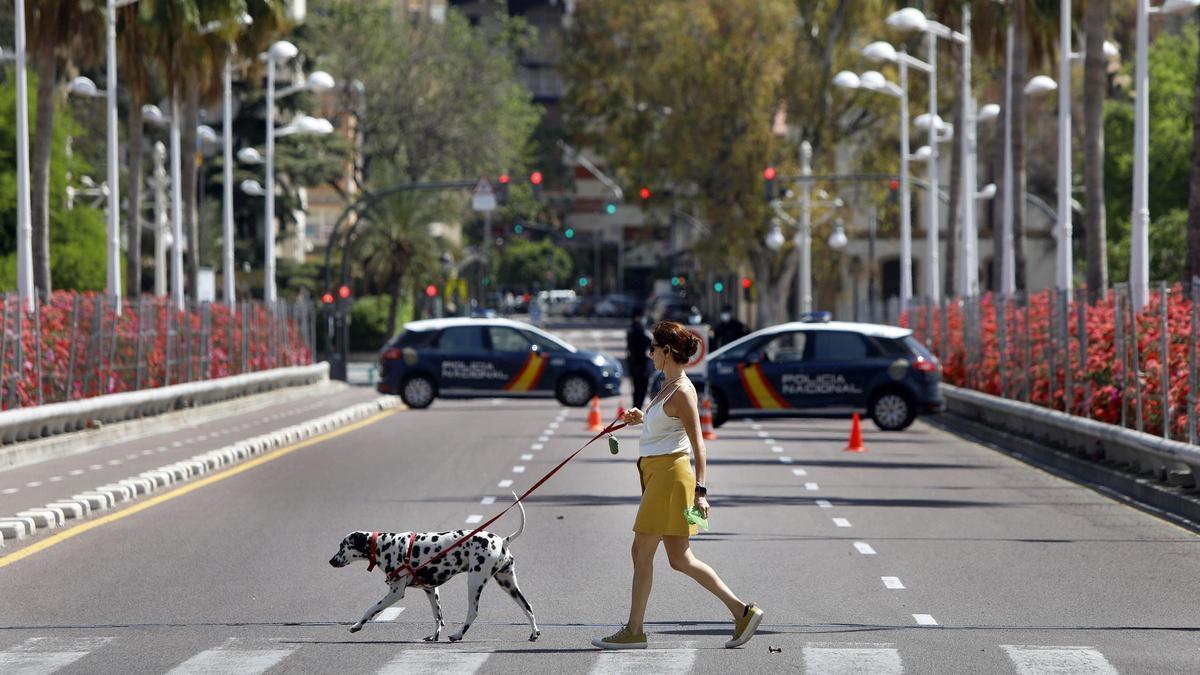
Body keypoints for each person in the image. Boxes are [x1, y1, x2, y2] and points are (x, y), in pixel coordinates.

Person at [593, 321, 763, 651]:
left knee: (641, 551)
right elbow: (665, 424)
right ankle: (743, 612)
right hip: (658, 475)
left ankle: (634, 630)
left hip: (672, 477)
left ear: (667, 352)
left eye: (654, 348)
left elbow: (699, 444)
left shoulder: (683, 391)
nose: (650, 353)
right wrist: (640, 417)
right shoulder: (667, 385)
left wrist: (701, 491)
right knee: (680, 558)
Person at [625, 309, 652, 409]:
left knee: (637, 388)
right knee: (642, 388)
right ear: (637, 317)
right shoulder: (638, 329)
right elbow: (648, 340)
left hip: (633, 363)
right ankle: (637, 408)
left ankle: (635, 408)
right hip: (640, 364)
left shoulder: (631, 329)